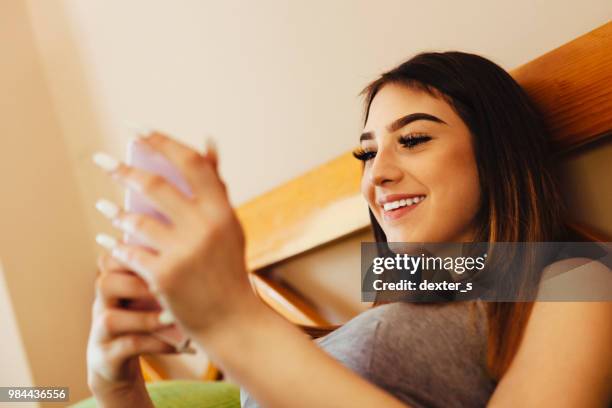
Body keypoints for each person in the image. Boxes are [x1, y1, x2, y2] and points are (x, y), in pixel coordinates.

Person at [84, 52, 612, 407]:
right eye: (367, 151)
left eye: (413, 139)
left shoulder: (578, 280)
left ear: (496, 154)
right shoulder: (319, 337)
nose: (375, 174)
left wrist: (232, 325)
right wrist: (116, 383)